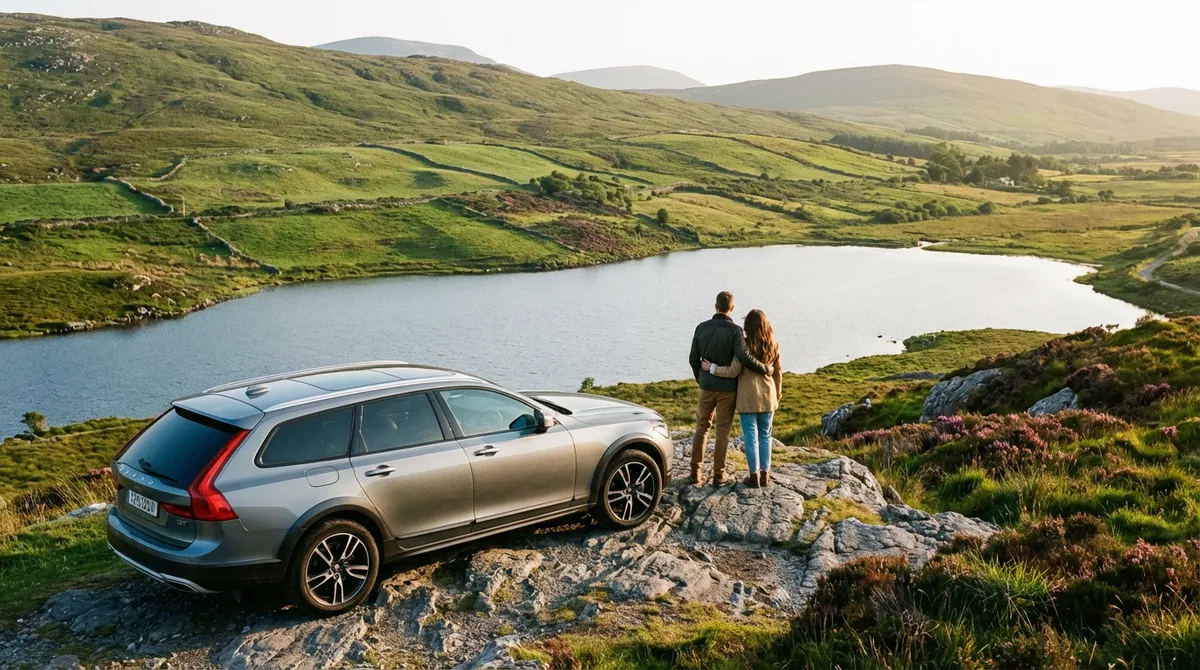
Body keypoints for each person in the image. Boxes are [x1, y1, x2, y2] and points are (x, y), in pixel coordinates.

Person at [688, 291, 771, 487]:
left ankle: (695, 472)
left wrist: (701, 380)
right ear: (731, 308)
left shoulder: (701, 328)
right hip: (727, 390)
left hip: (706, 386)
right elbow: (744, 358)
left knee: (701, 428)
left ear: (715, 306)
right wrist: (765, 369)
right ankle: (719, 475)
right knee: (722, 432)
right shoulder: (735, 331)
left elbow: (693, 359)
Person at [702, 309, 783, 488]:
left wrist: (712, 368)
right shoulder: (773, 345)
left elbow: (732, 371)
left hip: (747, 398)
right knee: (765, 436)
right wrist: (778, 394)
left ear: (747, 326)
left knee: (751, 437)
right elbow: (778, 373)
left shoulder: (744, 346)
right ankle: (766, 475)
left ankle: (753, 476)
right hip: (768, 396)